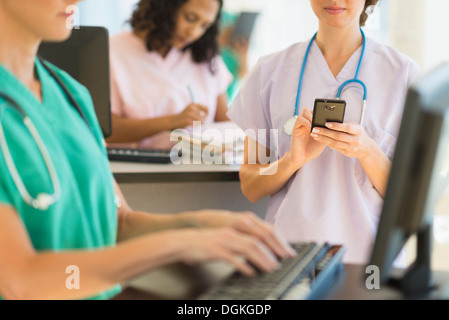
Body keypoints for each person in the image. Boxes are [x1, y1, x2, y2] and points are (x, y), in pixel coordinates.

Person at [0, 0, 295, 300]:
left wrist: (201, 224)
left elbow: (119, 223)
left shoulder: (71, 93)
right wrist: (175, 245)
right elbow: (21, 281)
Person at [227, 0, 421, 265]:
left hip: (368, 258)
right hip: (290, 254)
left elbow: (410, 196)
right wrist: (291, 161)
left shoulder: (403, 73)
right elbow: (251, 185)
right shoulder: (268, 72)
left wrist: (366, 150)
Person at [107, 0, 233, 150]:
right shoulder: (111, 51)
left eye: (204, 26)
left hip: (199, 167)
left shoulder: (205, 57)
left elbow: (224, 124)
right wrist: (172, 122)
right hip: (136, 169)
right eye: (190, 18)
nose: (193, 32)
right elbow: (106, 130)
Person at [218, 11, 250, 106]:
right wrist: (222, 40)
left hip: (228, 96)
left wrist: (243, 55)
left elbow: (242, 74)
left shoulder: (236, 18)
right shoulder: (214, 16)